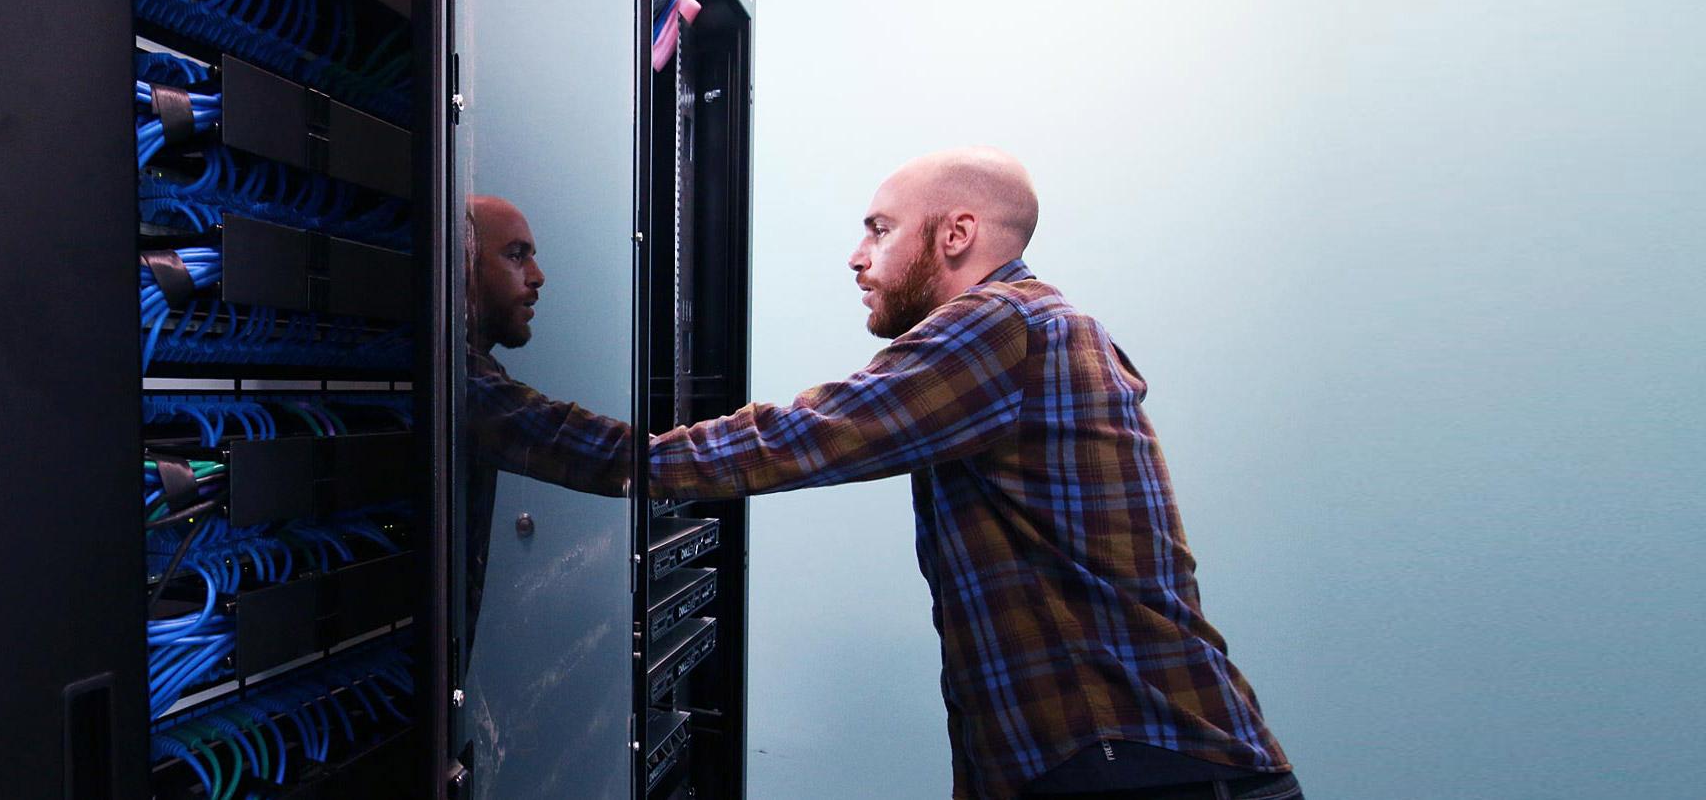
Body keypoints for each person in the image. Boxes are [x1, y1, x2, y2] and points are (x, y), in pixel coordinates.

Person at [645, 148, 1299, 800]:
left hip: (1146, 771)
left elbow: (804, 434)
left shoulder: (1005, 323)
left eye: (879, 229)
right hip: (1138, 768)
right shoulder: (1031, 332)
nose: (856, 255)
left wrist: (600, 451)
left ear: (956, 234)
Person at [461, 194, 629, 667]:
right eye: (517, 255)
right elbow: (572, 442)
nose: (537, 276)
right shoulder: (461, 384)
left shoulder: (478, 372)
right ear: (460, 265)